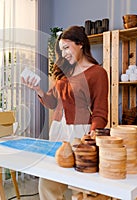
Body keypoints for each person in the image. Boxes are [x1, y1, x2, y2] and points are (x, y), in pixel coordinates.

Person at [21, 26, 109, 199]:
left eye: (67, 48)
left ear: (81, 44)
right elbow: (53, 102)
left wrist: (92, 134)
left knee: (81, 187)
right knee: (48, 182)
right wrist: (38, 89)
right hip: (57, 130)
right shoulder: (64, 71)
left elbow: (100, 110)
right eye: (62, 50)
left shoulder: (97, 73)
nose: (64, 53)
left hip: (80, 132)